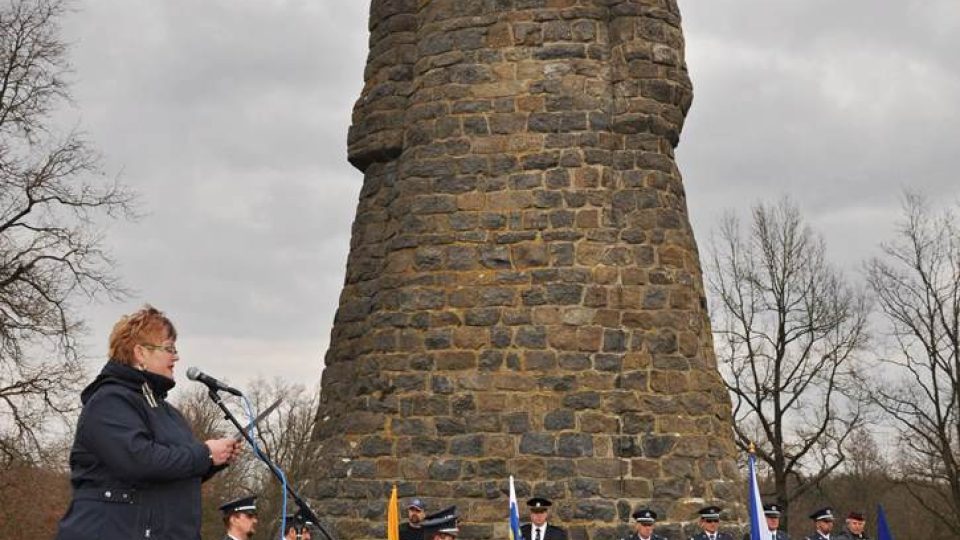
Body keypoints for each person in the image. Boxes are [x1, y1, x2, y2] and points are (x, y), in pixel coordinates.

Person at [55, 305, 241, 540]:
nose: (176, 356)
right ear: (140, 353)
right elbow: (139, 459)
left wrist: (214, 460)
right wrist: (204, 454)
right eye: (169, 348)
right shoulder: (110, 401)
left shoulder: (168, 412)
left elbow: (175, 467)